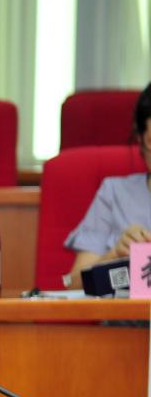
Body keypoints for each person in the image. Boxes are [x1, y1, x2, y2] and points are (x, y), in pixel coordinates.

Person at [63, 82, 151, 288]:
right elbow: (72, 284)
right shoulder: (114, 193)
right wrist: (116, 255)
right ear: (140, 140)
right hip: (124, 310)